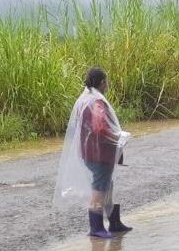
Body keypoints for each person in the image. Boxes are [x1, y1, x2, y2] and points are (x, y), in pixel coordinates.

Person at [54, 67, 132, 239]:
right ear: (103, 83)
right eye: (107, 81)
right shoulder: (97, 102)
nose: (108, 85)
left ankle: (114, 223)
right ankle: (96, 228)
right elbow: (100, 128)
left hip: (88, 151)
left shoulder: (85, 98)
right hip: (100, 153)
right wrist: (118, 136)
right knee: (99, 190)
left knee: (107, 187)